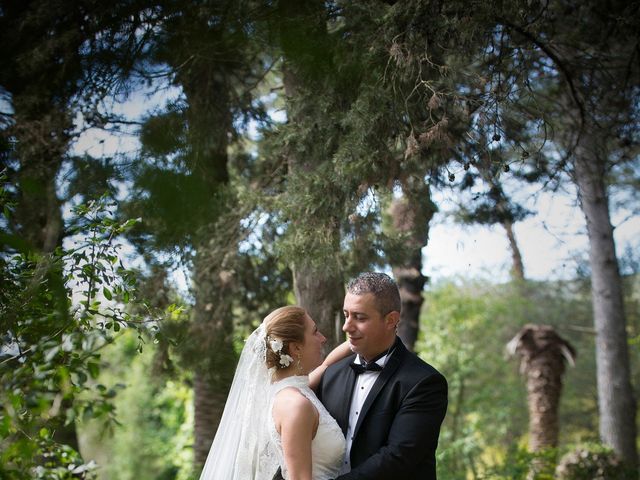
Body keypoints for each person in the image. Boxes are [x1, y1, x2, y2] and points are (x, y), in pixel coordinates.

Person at [317, 272, 448, 479]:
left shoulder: (424, 382)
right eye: (346, 315)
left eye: (359, 317)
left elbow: (398, 457)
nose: (346, 327)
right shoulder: (331, 375)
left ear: (391, 320)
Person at [198, 305, 351, 480]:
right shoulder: (295, 405)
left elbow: (326, 366)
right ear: (296, 348)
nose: (322, 338)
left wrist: (355, 341)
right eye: (315, 332)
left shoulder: (291, 389)